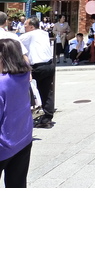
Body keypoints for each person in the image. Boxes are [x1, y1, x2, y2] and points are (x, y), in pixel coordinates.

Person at [0, 39, 34, 188]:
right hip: (23, 138)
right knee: (17, 185)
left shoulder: (2, 83)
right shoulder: (24, 75)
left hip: (3, 143)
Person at [19, 17, 54, 129]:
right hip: (49, 65)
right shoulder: (44, 33)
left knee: (23, 87)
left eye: (25, 25)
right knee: (47, 91)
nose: (23, 27)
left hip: (37, 67)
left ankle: (28, 112)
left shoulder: (31, 34)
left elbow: (16, 40)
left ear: (32, 27)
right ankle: (47, 118)